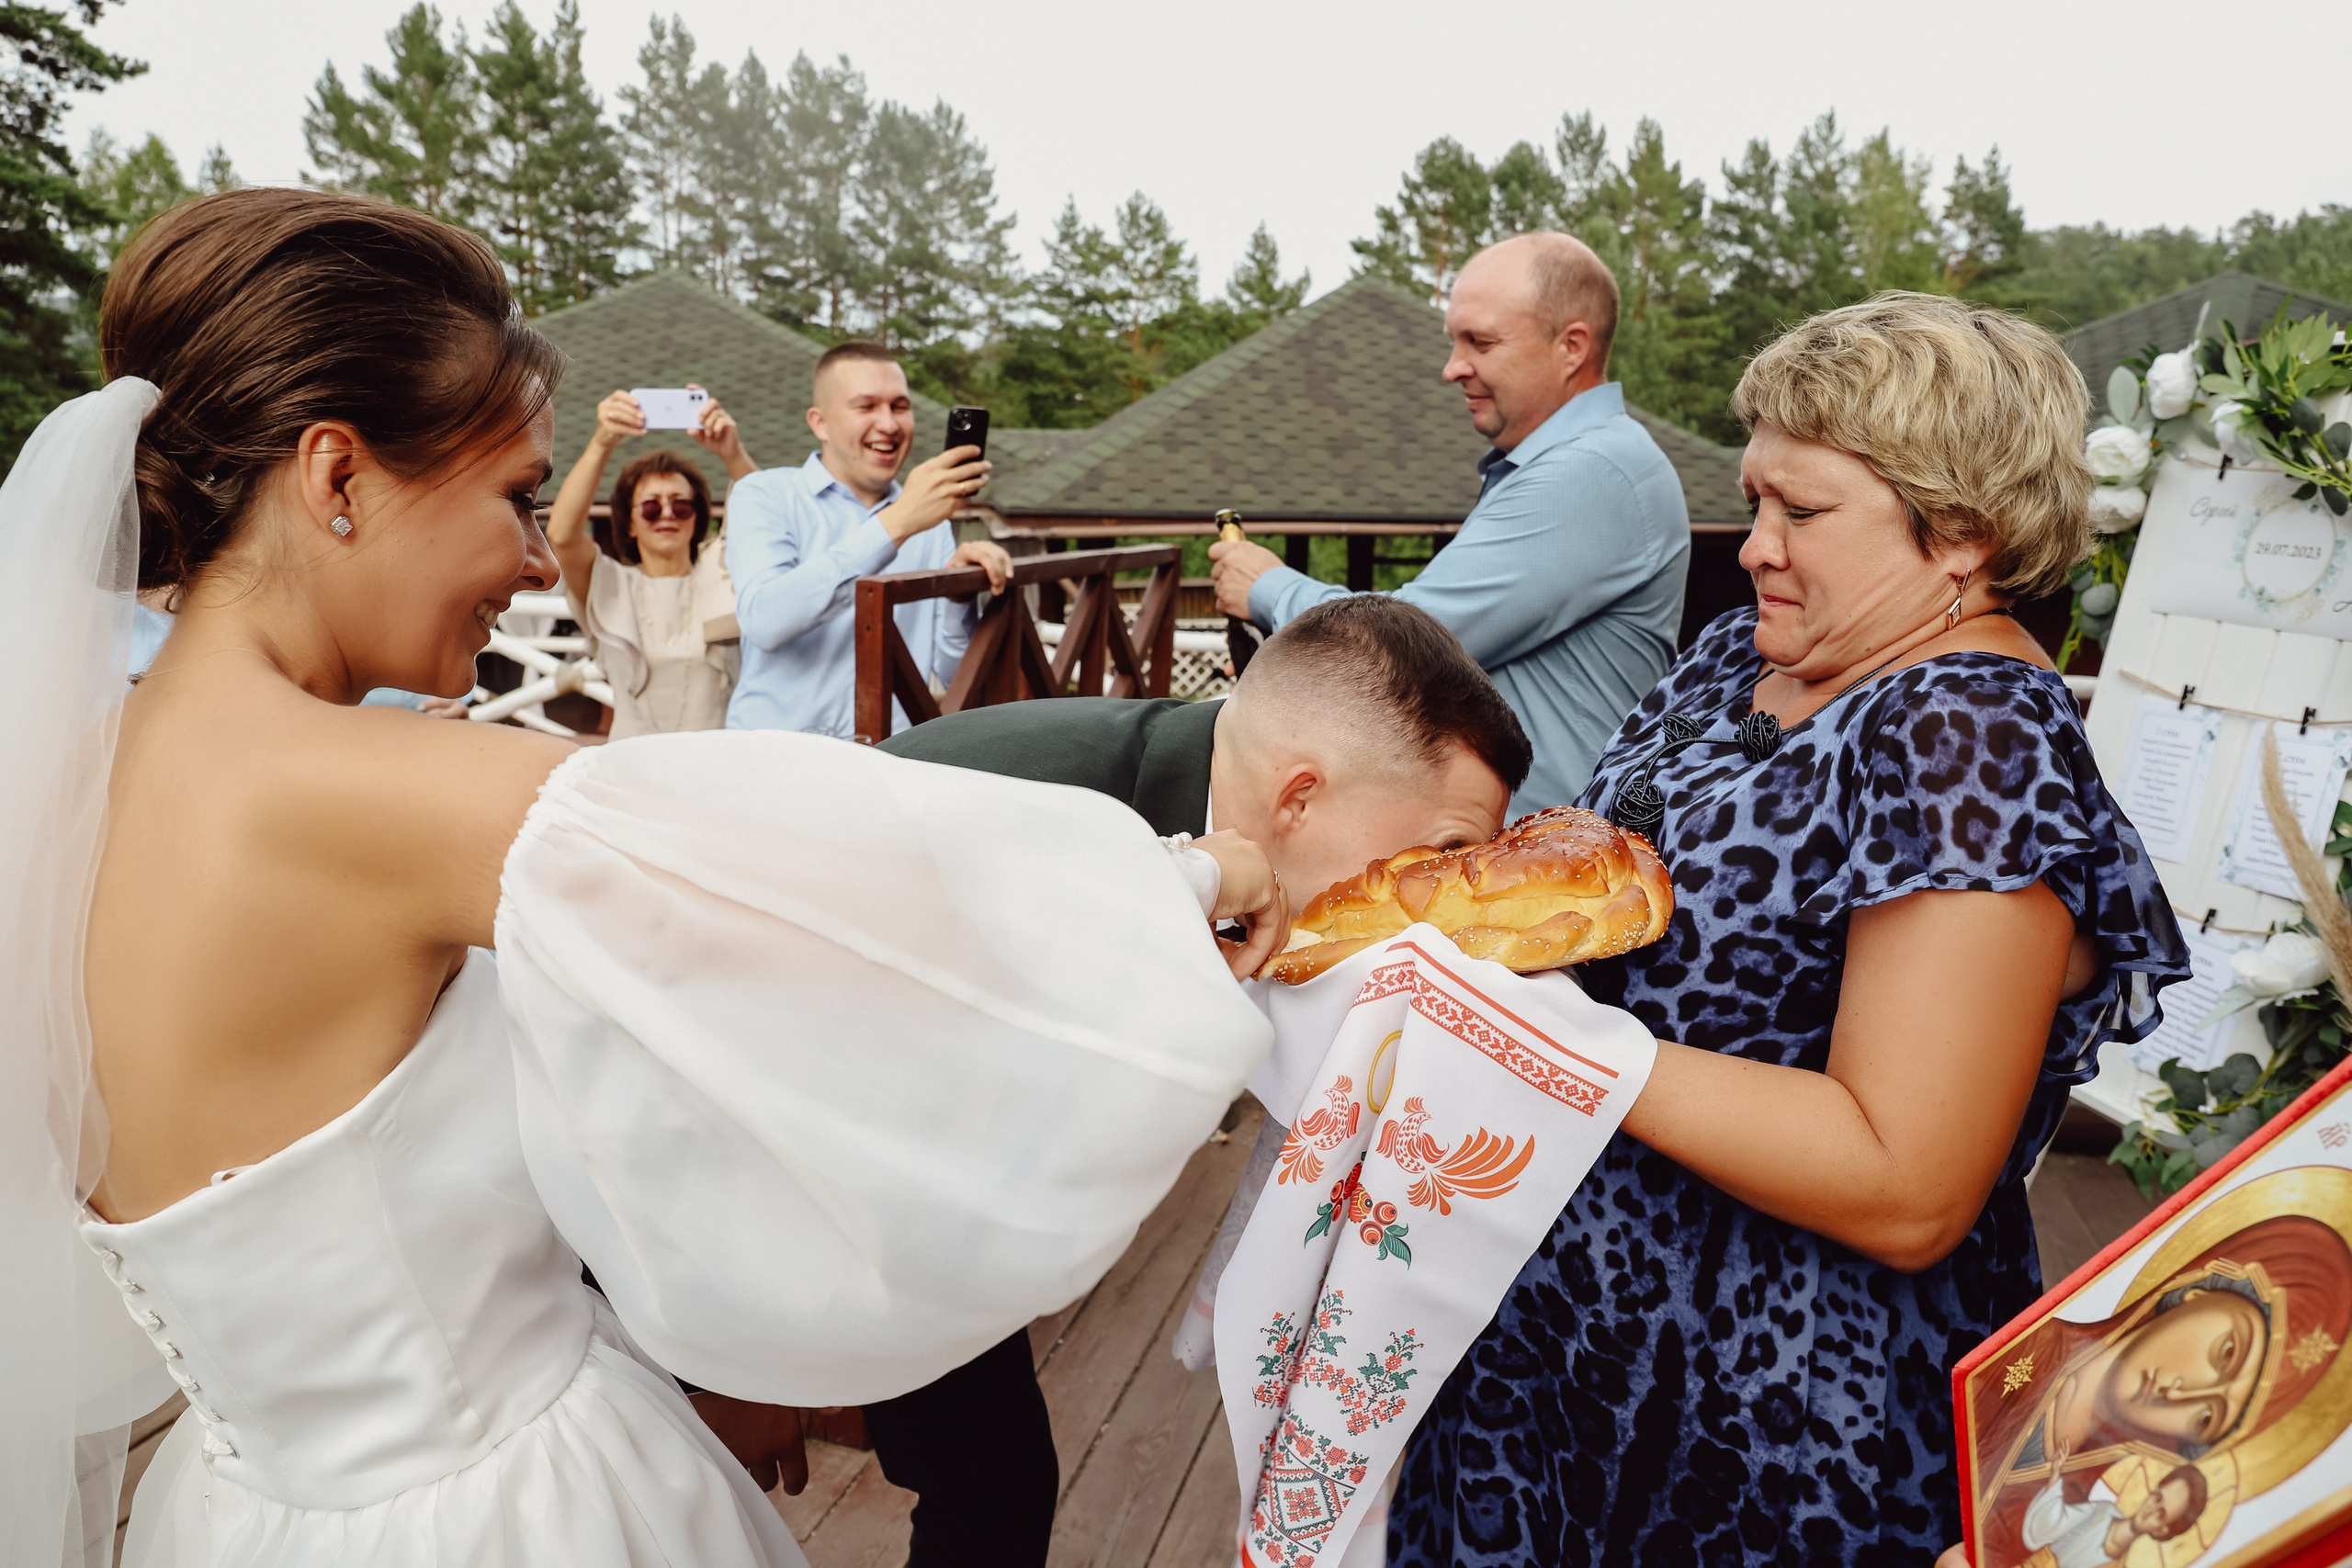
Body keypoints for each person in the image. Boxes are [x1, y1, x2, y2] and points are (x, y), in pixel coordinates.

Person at [9, 187, 1295, 1568]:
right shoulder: (374, 793)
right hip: (505, 1510)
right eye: (511, 494)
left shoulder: (68, 783)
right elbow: (868, 905)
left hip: (239, 1510)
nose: (525, 559)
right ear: (335, 477)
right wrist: (1201, 864)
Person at [1384, 292, 2192, 1567]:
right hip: (1566, 1347)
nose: (1756, 545)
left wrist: (1550, 1037)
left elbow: (1906, 1180)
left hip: (1766, 1414)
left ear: (1965, 537)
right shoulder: (1736, 654)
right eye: (1757, 498)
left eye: (1803, 512)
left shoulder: (1964, 735)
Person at [846, 596, 1532, 1566]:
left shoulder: (1239, 817)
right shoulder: (1018, 814)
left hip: (937, 1172)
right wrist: (746, 1358)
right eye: (1440, 857)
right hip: (743, 1154)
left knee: (995, 1478)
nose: (1441, 908)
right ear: (1297, 798)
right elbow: (753, 1032)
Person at [1207, 232, 1690, 816]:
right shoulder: (1570, 464)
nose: (1452, 368)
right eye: (1455, 341)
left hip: (1550, 863)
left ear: (1572, 346)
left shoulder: (1593, 471)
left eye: (1480, 342)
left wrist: (1265, 586)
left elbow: (1405, 642)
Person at [723, 341, 1012, 737]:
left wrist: (958, 596)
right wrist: (897, 523)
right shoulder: (763, 493)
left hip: (891, 765)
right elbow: (766, 620)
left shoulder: (930, 518)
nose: (889, 424)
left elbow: (955, 679)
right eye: (866, 406)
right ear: (819, 422)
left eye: (900, 406)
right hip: (778, 763)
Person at [543, 387, 756, 737]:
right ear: (630, 522)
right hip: (630, 769)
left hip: (718, 766)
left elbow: (763, 513)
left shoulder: (723, 574)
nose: (667, 514)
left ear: (697, 517)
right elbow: (563, 535)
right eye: (652, 506)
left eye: (681, 504)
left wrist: (732, 453)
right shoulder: (611, 585)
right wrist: (602, 442)